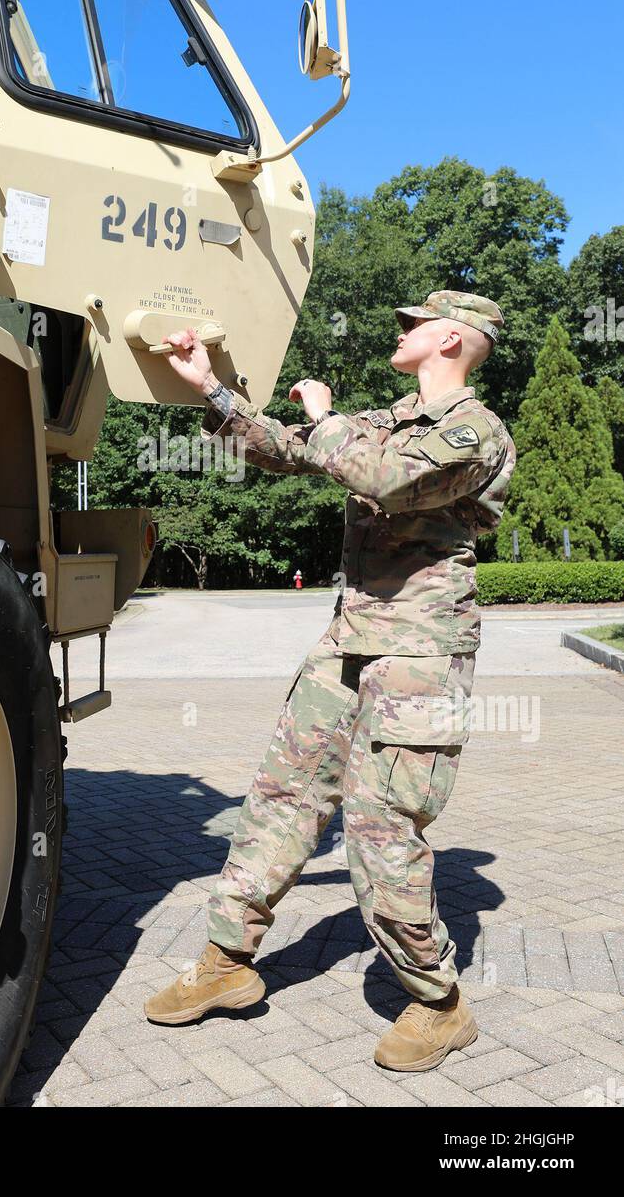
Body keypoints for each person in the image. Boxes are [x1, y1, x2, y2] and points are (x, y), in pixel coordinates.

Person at [144, 291, 516, 1072]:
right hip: (347, 644)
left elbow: (380, 477)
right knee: (281, 798)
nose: (400, 329)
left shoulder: (473, 431)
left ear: (452, 338)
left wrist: (325, 420)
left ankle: (438, 1004)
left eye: (412, 323)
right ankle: (226, 964)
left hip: (419, 653)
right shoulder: (392, 415)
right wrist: (209, 388)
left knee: (382, 829)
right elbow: (287, 449)